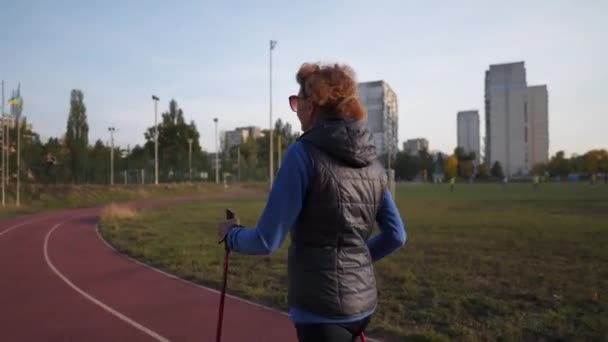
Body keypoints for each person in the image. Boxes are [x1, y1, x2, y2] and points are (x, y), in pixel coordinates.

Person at [217, 63, 406, 342]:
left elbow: (266, 240)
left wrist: (230, 235)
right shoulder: (373, 164)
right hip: (363, 308)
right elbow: (396, 236)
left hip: (320, 313)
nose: (296, 109)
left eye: (298, 101)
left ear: (313, 105)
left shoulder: (302, 154)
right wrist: (356, 261)